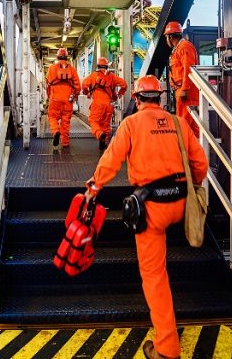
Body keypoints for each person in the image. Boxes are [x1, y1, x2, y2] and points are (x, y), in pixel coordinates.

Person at [84, 75, 208, 359]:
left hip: (151, 208)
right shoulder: (178, 123)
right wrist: (193, 188)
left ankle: (167, 347)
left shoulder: (130, 124)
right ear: (160, 98)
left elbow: (111, 161)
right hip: (180, 201)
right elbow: (199, 163)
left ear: (137, 99)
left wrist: (94, 188)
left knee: (154, 275)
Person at [81, 57, 128, 150]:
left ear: (98, 66)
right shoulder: (112, 76)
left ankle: (99, 134)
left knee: (93, 120)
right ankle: (104, 143)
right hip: (109, 105)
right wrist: (120, 93)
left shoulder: (93, 76)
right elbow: (124, 84)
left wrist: (87, 92)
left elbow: (84, 85)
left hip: (98, 104)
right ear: (107, 66)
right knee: (105, 125)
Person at [164, 21, 200, 138]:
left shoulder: (184, 47)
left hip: (186, 93)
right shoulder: (178, 48)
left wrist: (184, 88)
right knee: (192, 126)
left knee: (183, 124)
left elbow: (188, 69)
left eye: (166, 37)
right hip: (181, 91)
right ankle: (197, 152)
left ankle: (184, 152)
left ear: (170, 36)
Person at [46, 47, 81, 147]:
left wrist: (49, 96)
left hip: (55, 99)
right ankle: (65, 142)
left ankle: (56, 131)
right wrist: (75, 96)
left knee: (52, 117)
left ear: (57, 57)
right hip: (67, 100)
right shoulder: (72, 69)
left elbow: (47, 85)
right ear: (67, 57)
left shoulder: (52, 68)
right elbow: (78, 86)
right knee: (66, 121)